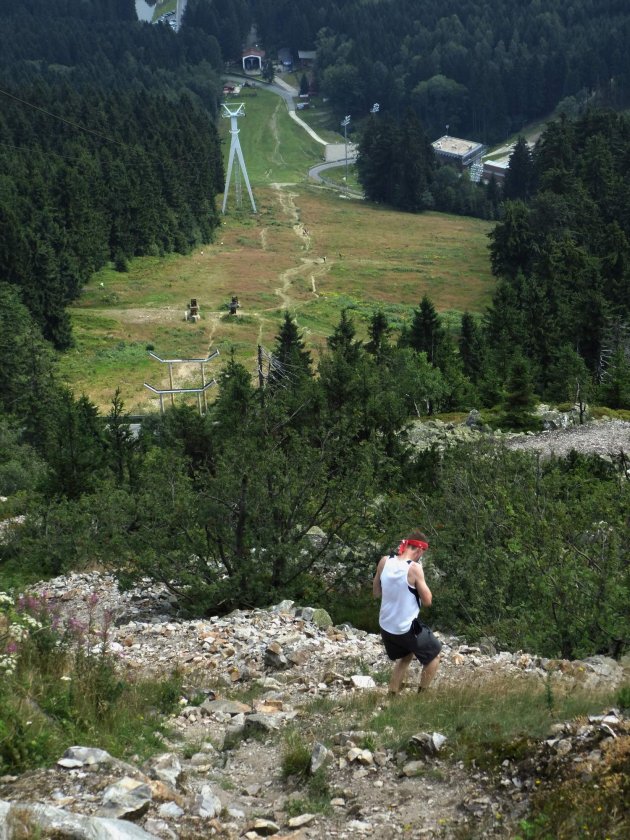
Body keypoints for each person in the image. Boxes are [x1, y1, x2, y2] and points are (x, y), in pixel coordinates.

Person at [373, 531, 442, 695]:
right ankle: (422, 695)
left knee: (406, 655)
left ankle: (392, 693)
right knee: (434, 657)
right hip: (405, 628)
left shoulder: (384, 561)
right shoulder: (415, 568)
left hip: (386, 626)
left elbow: (376, 592)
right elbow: (428, 601)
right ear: (419, 550)